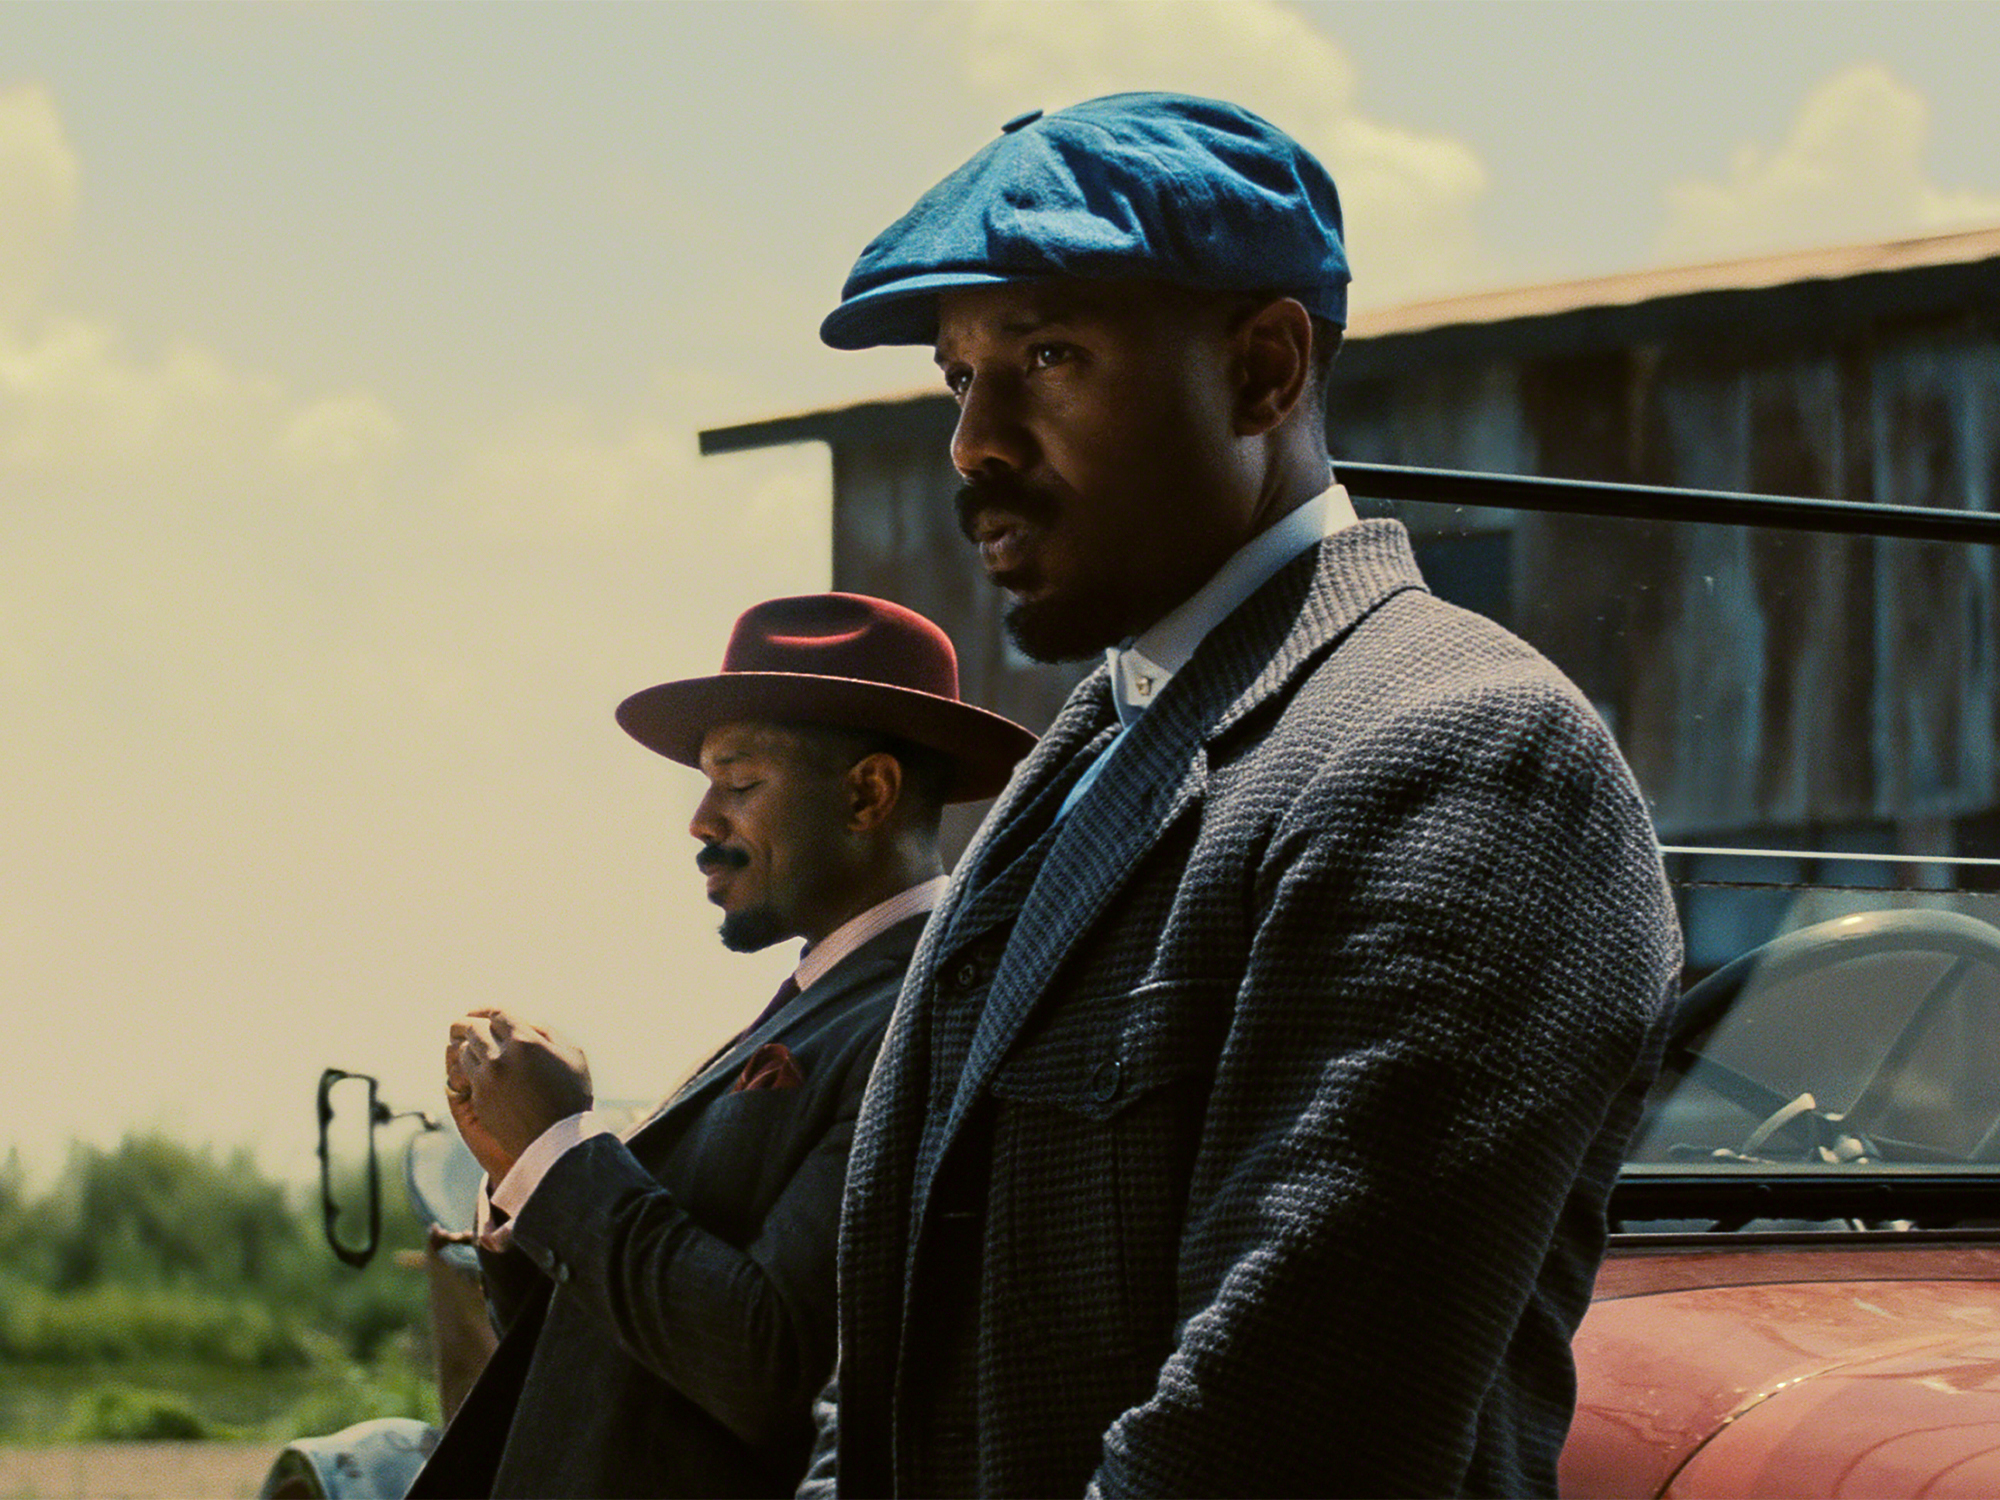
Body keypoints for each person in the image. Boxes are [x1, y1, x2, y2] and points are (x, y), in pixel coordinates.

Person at [803, 93, 1683, 1497]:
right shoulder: (1086, 757)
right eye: (956, 377)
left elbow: (1273, 1446)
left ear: (1265, 370)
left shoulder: (1454, 750)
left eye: (1046, 355)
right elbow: (895, 1370)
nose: (974, 441)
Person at [405, 592, 1035, 1499]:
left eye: (738, 784)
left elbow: (774, 1367)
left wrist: (558, 1154)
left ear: (867, 793)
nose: (701, 821)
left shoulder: (927, 1018)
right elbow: (627, 1340)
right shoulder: (821, 1007)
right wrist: (522, 1174)